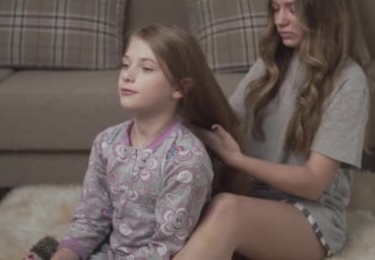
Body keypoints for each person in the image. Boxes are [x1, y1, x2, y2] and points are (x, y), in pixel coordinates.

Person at [174, 0, 371, 260]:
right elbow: (227, 122)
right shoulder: (271, 64)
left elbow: (313, 184)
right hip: (252, 198)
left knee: (227, 209)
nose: (280, 20)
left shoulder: (349, 80)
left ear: (323, 10)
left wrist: (237, 160)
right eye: (276, 8)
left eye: (293, 9)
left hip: (310, 215)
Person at [48, 24, 242, 260]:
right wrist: (65, 255)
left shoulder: (186, 160)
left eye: (147, 68)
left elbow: (165, 249)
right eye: (126, 64)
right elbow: (91, 218)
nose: (128, 75)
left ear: (179, 88)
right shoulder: (106, 141)